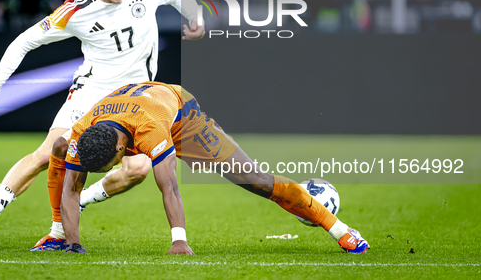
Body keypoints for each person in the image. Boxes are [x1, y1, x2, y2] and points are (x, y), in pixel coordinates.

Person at [0, 0, 205, 245]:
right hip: (92, 91)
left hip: (134, 96)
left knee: (138, 170)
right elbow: (25, 40)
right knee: (49, 152)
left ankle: (79, 201)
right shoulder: (77, 10)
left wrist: (196, 19)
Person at [53, 82, 370, 254]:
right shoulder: (84, 130)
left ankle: (341, 230)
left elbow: (170, 186)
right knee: (63, 159)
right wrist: (73, 243)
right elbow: (72, 186)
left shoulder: (150, 131)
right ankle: (61, 236)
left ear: (122, 149)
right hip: (137, 106)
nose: (109, 169)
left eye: (108, 166)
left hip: (182, 118)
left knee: (255, 180)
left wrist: (179, 240)